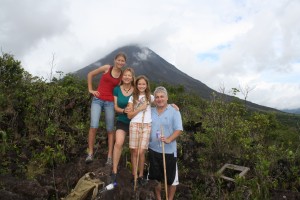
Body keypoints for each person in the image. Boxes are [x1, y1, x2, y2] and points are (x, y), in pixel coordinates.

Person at [85, 52, 127, 165]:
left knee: (110, 129)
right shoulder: (107, 68)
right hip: (97, 100)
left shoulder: (123, 76)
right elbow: (90, 74)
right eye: (119, 60)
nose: (120, 62)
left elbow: (128, 87)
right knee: (94, 126)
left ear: (125, 63)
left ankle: (109, 156)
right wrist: (90, 89)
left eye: (122, 61)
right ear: (115, 60)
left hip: (110, 102)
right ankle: (90, 153)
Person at [148, 86, 183, 200]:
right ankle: (158, 197)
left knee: (171, 178)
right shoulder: (150, 111)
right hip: (153, 149)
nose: (159, 99)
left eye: (162, 96)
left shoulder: (174, 111)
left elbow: (179, 129)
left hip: (169, 151)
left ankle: (169, 198)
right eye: (157, 97)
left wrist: (169, 139)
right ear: (154, 99)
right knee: (155, 178)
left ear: (167, 98)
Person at [127, 75, 154, 187]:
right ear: (136, 85)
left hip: (146, 125)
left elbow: (161, 103)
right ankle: (134, 176)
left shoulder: (150, 97)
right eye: (139, 84)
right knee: (134, 151)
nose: (141, 86)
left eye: (143, 84)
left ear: (146, 85)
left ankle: (141, 175)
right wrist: (140, 108)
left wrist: (172, 105)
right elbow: (129, 115)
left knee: (141, 151)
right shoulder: (132, 98)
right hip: (134, 125)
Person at [110, 67, 135, 183]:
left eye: (129, 75)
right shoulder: (117, 90)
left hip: (135, 122)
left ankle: (136, 174)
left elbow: (149, 99)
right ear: (122, 76)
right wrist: (124, 111)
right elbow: (115, 107)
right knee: (118, 143)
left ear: (132, 77)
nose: (127, 77)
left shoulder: (136, 90)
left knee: (134, 149)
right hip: (122, 120)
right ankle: (114, 170)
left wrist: (170, 105)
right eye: (125, 75)